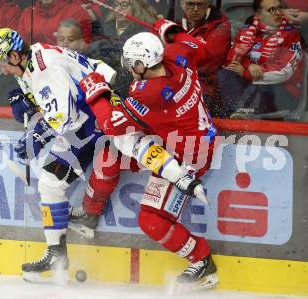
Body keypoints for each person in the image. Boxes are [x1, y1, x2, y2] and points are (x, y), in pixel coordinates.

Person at [0, 27, 209, 282]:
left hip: (94, 112)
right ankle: (57, 252)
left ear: (15, 55)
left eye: (3, 62)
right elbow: (65, 99)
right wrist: (28, 104)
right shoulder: (34, 57)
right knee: (52, 181)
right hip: (88, 112)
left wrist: (37, 136)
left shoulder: (46, 72)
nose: (2, 69)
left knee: (128, 142)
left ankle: (179, 176)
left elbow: (64, 119)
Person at [78, 20, 218, 289]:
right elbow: (202, 48)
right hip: (185, 139)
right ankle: (89, 214)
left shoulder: (147, 94)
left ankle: (202, 262)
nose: (129, 68)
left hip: (187, 156)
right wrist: (170, 30)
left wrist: (95, 90)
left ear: (141, 66)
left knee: (150, 220)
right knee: (110, 154)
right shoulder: (180, 53)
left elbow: (110, 124)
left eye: (132, 64)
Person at [218, 0, 304, 119]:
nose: (278, 13)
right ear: (258, 15)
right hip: (249, 88)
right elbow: (231, 61)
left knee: (261, 87)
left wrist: (246, 72)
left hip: (281, 90)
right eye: (272, 10)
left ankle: (240, 113)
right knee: (225, 75)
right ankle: (235, 113)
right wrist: (249, 66)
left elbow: (284, 73)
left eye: (279, 8)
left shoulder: (292, 35)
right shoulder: (246, 32)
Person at [178, 0, 231, 117]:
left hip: (206, 89)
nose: (195, 9)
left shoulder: (221, 25)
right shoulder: (174, 25)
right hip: (177, 85)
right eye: (190, 4)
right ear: (182, 4)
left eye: (200, 4)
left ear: (207, 4)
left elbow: (208, 63)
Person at [16, 0, 93, 46]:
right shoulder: (27, 13)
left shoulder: (77, 12)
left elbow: (84, 46)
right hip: (36, 67)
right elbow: (20, 46)